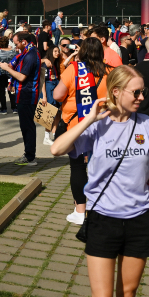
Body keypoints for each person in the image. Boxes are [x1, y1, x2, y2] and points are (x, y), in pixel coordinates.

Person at [49, 66, 149, 297]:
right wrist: (88, 119)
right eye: (135, 92)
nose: (141, 97)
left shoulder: (147, 124)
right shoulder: (97, 126)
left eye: (143, 92)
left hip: (140, 221)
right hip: (103, 221)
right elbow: (57, 149)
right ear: (116, 92)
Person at [53, 38, 112, 226]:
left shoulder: (74, 69)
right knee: (101, 167)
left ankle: (81, 210)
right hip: (103, 126)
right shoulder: (109, 71)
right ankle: (102, 206)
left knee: (77, 168)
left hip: (77, 126)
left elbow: (57, 95)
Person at [0, 31, 40, 166]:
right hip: (24, 93)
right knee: (25, 126)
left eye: (17, 44)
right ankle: (28, 154)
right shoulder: (27, 53)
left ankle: (30, 156)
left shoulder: (31, 55)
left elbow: (22, 77)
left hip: (27, 94)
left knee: (27, 126)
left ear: (24, 42)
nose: (15, 47)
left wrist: (7, 68)